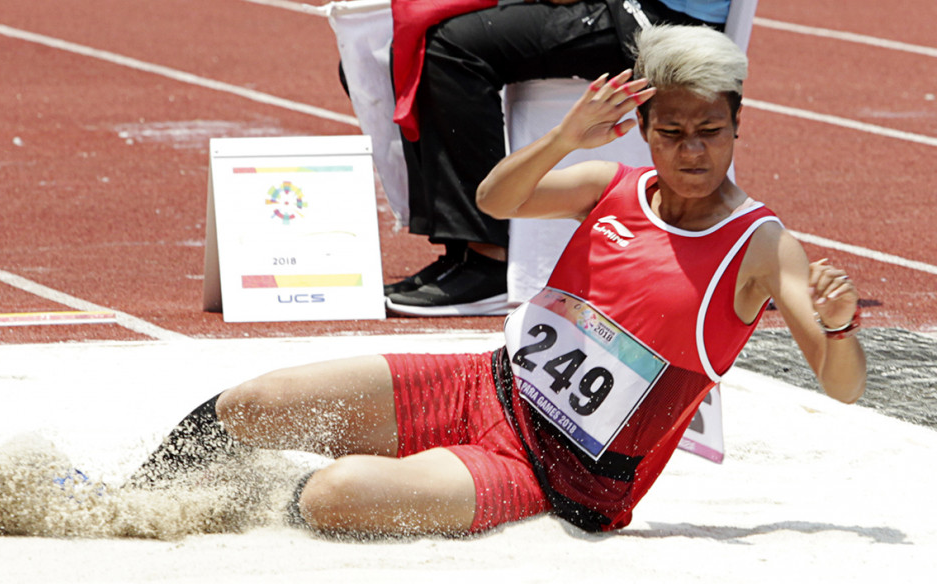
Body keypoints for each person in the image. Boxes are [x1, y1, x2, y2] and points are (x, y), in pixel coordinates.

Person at [129, 25, 865, 537]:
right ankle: (126, 502)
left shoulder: (763, 247)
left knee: (335, 495)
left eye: (710, 131)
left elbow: (842, 386)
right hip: (488, 385)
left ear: (737, 128)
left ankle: (203, 515)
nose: (693, 150)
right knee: (256, 404)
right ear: (646, 131)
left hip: (557, 479)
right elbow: (495, 201)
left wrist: (837, 325)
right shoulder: (611, 185)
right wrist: (566, 137)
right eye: (672, 132)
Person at [384, 0, 733, 317]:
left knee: (451, 48)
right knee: (411, 36)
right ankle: (459, 251)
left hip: (666, 15)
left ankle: (487, 260)